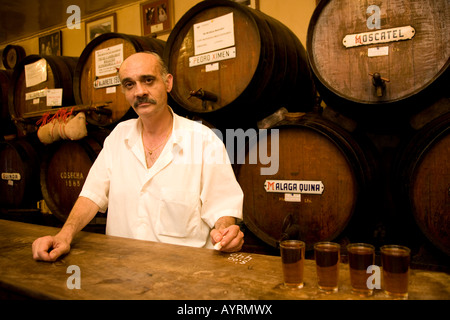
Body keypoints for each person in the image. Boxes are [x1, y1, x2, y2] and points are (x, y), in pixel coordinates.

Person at [32, 52, 244, 262]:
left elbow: (222, 205)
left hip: (184, 273)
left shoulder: (203, 140)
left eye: (148, 80)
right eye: (129, 84)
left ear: (168, 82)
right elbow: (92, 194)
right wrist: (64, 234)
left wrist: (224, 232)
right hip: (122, 271)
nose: (139, 92)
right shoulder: (118, 137)